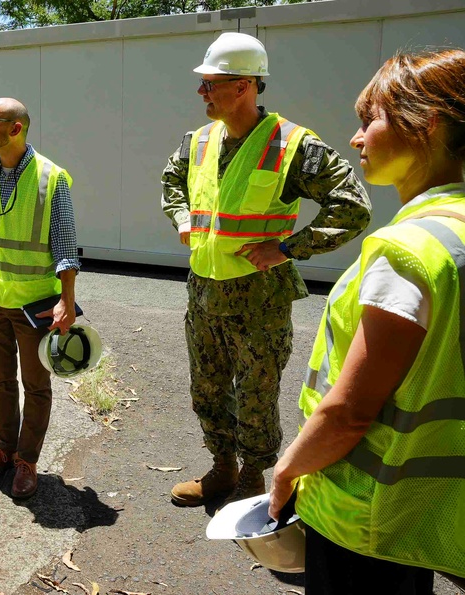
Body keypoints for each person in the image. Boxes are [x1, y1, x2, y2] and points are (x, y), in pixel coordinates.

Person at [269, 49, 465, 594]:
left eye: (368, 119)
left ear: (425, 124)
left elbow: (350, 412)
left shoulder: (407, 250)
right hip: (437, 507)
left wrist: (288, 473)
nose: (355, 139)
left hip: (365, 513)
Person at [161, 32, 372, 507]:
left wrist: (287, 248)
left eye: (211, 83)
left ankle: (254, 480)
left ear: (245, 86)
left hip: (259, 299)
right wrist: (180, 218)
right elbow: (172, 180)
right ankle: (221, 468)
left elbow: (352, 207)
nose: (202, 93)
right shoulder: (198, 141)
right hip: (204, 293)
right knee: (208, 390)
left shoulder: (292, 145)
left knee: (255, 396)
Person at [0, 97, 80, 500]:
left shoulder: (51, 178)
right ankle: (5, 450)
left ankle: (27, 460)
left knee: (36, 384)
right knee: (0, 380)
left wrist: (67, 300)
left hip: (34, 305)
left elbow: (65, 247)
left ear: (15, 128)